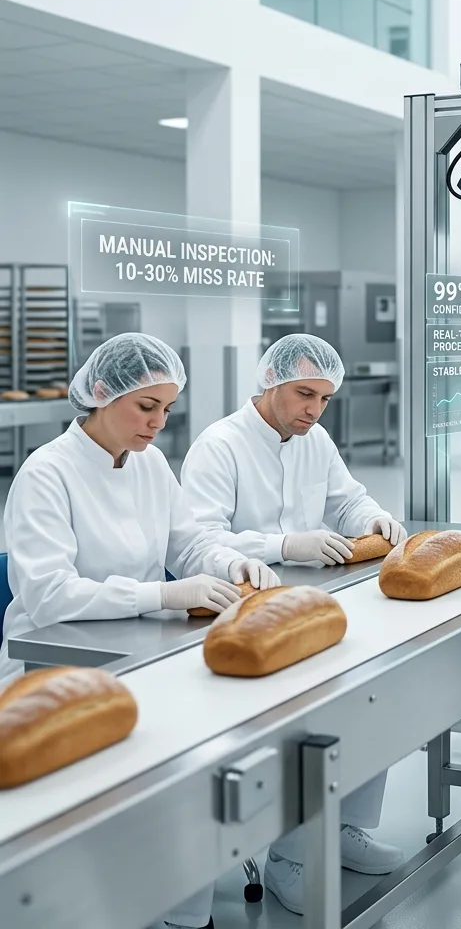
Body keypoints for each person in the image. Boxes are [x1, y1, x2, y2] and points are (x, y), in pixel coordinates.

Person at [0, 333, 279, 929]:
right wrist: (162, 593)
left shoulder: (150, 463)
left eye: (167, 409)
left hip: (144, 648)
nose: (159, 423)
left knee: (185, 767)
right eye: (146, 407)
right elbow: (48, 595)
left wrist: (227, 560)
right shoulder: (46, 474)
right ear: (101, 394)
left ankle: (183, 907)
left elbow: (187, 540)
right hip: (56, 665)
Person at [181, 333, 407, 915]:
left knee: (367, 697)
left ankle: (347, 831)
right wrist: (284, 543)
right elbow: (197, 539)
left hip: (311, 609)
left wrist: (375, 517)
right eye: (305, 394)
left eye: (325, 399)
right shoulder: (220, 446)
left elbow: (347, 499)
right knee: (298, 729)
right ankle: (289, 859)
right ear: (270, 383)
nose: (314, 409)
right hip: (247, 614)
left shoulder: (316, 439)